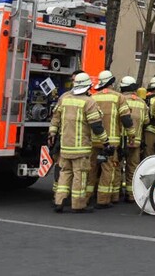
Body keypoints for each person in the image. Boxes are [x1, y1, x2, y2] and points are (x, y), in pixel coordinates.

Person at [48, 72, 108, 213]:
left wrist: (51, 133)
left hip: (65, 146)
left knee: (65, 173)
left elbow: (55, 119)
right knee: (80, 176)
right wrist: (106, 142)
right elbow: (96, 126)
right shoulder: (89, 102)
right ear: (87, 86)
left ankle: (59, 201)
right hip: (81, 148)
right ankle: (78, 205)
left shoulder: (65, 99)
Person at [88, 70, 133, 208]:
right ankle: (103, 200)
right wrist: (131, 134)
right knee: (108, 169)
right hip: (111, 141)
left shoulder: (93, 98)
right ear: (111, 83)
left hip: (94, 139)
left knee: (92, 168)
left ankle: (87, 196)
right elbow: (126, 119)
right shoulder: (119, 97)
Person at [119, 75, 147, 203]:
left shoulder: (120, 99)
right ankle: (131, 195)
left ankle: (117, 193)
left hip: (121, 140)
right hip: (136, 141)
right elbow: (146, 120)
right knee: (133, 168)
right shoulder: (142, 103)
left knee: (117, 166)